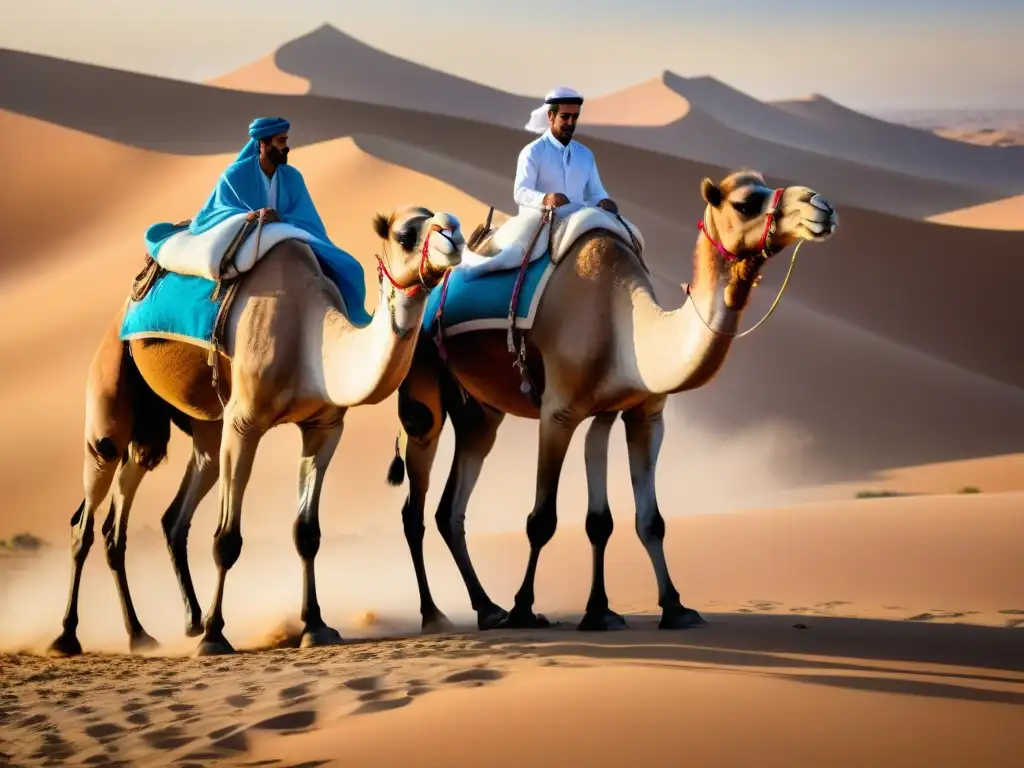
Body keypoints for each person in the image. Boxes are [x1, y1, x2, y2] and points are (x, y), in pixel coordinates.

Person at [144, 116, 370, 325]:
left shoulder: (292, 177)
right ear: (263, 144)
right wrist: (250, 217)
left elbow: (306, 217)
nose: (286, 147)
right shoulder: (235, 175)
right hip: (248, 236)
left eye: (285, 140)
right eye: (280, 141)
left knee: (348, 267)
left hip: (288, 234)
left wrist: (280, 218)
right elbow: (219, 210)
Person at [514, 86, 619, 215]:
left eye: (575, 117)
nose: (570, 122)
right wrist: (546, 198)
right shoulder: (533, 152)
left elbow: (596, 194)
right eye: (565, 117)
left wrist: (604, 202)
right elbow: (521, 192)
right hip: (539, 221)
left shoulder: (585, 155)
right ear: (551, 116)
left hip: (579, 222)